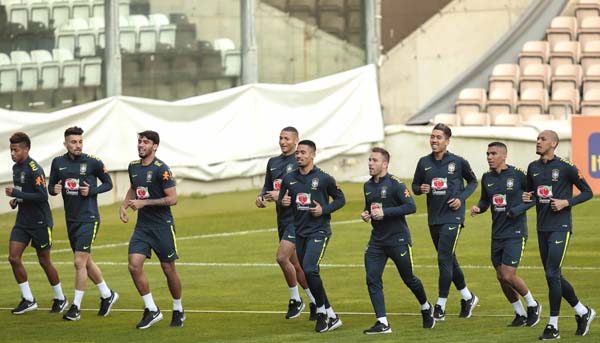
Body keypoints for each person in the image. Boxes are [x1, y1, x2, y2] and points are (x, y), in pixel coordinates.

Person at [522, 130, 596, 340]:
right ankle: (583, 311)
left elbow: (588, 192)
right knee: (554, 275)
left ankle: (553, 325)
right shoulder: (533, 167)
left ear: (553, 143)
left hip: (560, 227)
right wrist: (527, 196)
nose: (538, 142)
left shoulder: (566, 167)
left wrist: (566, 202)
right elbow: (530, 195)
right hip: (542, 227)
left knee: (551, 273)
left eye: (542, 139)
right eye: (537, 139)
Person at [361, 147, 435, 334]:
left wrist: (385, 212)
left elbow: (411, 206)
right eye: (369, 160)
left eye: (374, 160)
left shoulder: (396, 184)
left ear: (385, 164)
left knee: (409, 278)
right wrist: (367, 213)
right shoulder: (367, 186)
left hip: (398, 239)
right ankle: (382, 322)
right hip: (377, 241)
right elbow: (370, 207)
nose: (370, 163)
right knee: (372, 279)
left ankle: (426, 307)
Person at [48, 126, 118, 321]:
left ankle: (76, 307)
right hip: (71, 220)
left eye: (80, 142)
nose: (77, 145)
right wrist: (53, 189)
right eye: (73, 142)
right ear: (65, 144)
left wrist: (92, 191)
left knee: (79, 261)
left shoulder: (93, 162)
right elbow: (51, 187)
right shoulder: (57, 163)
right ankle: (107, 295)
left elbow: (108, 183)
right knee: (86, 261)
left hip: (89, 218)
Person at [411, 123, 479, 321]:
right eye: (432, 136)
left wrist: (461, 198)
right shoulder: (424, 162)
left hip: (453, 216)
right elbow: (415, 185)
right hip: (434, 217)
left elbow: (473, 182)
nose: (434, 140)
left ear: (447, 141)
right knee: (449, 259)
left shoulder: (458, 162)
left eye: (438, 137)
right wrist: (420, 188)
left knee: (443, 259)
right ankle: (467, 297)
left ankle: (440, 305)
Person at [470, 142, 541, 328]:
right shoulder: (486, 178)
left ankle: (533, 304)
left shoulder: (518, 175)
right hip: (497, 233)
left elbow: (535, 197)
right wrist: (479, 208)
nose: (489, 157)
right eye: (487, 154)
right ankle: (520, 313)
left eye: (493, 153)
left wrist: (516, 210)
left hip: (515, 232)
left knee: (509, 274)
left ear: (504, 155)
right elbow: (486, 200)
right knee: (501, 276)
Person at [278, 139, 345, 333]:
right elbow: (284, 201)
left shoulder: (324, 178)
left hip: (319, 231)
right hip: (299, 232)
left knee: (309, 268)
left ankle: (322, 312)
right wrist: (284, 202)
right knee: (310, 272)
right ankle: (331, 315)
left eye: (303, 152)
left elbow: (341, 199)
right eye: (297, 153)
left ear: (313, 155)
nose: (299, 155)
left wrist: (324, 209)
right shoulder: (289, 178)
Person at [120, 130, 185, 329]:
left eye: (145, 142)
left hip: (162, 227)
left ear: (155, 146)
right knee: (133, 265)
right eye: (139, 141)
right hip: (143, 227)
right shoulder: (133, 167)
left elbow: (172, 199)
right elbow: (133, 188)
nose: (141, 145)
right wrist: (124, 206)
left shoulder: (161, 169)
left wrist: (145, 203)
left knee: (168, 268)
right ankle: (152, 309)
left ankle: (178, 309)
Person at [255, 126, 316, 320]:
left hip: (297, 221)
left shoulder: (299, 162)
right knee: (295, 264)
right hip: (281, 219)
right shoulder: (273, 162)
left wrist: (280, 196)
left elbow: (306, 190)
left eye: (287, 139)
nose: (282, 142)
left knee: (282, 258)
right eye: (280, 138)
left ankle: (296, 300)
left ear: (296, 141)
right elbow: (267, 186)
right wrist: (261, 197)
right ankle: (315, 301)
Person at [6, 132, 67, 315]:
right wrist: (17, 200)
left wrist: (17, 194)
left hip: (40, 222)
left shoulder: (35, 169)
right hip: (22, 222)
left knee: (44, 261)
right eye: (10, 150)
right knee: (13, 258)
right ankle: (28, 299)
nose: (12, 153)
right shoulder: (16, 168)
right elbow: (25, 192)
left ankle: (60, 298)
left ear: (26, 149)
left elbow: (42, 196)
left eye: (15, 150)